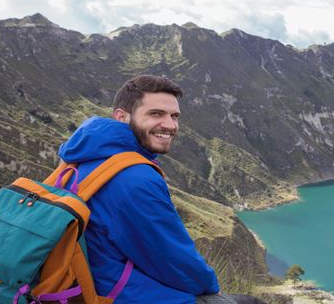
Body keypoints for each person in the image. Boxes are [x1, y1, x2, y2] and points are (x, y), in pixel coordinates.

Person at [58, 75, 237, 303]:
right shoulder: (135, 178)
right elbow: (174, 259)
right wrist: (212, 289)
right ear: (122, 117)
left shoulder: (82, 157)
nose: (171, 125)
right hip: (115, 293)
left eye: (174, 116)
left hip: (79, 283)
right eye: (156, 114)